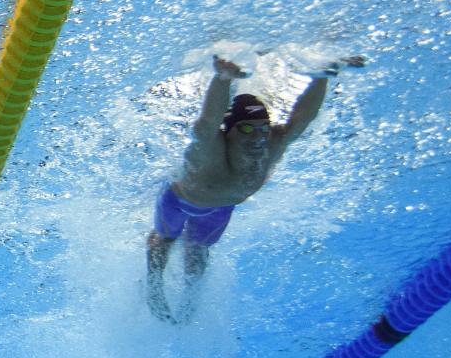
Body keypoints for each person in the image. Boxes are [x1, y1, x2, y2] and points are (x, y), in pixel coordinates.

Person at [145, 54, 364, 323]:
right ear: (231, 131)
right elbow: (206, 123)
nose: (258, 136)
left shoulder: (274, 143)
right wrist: (223, 78)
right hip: (179, 202)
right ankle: (154, 287)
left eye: (263, 128)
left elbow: (301, 118)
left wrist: (321, 77)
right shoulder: (211, 149)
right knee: (163, 242)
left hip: (220, 210)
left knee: (198, 253)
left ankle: (190, 301)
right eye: (247, 128)